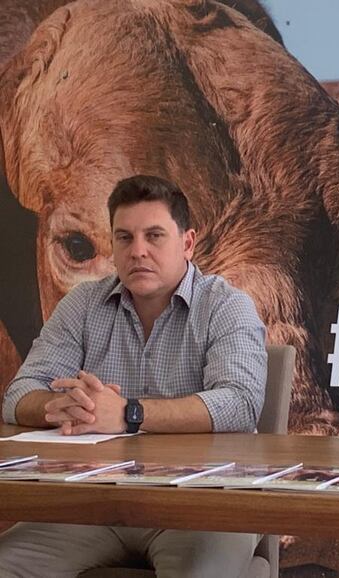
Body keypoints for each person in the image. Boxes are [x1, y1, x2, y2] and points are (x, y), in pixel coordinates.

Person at [0, 175, 267, 578]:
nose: (138, 251)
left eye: (154, 236)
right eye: (124, 238)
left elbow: (240, 404)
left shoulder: (227, 306)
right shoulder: (83, 304)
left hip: (204, 503)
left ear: (188, 243)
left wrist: (128, 414)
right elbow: (18, 395)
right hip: (96, 503)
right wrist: (63, 407)